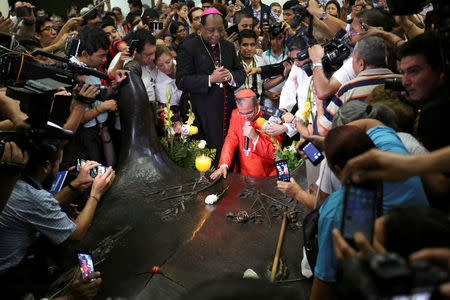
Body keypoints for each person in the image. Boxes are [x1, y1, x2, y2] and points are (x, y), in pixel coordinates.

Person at [309, 120, 429, 300]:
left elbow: (325, 281)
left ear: (338, 169)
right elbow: (370, 123)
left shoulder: (341, 210)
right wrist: (328, 140)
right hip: (427, 251)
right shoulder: (390, 145)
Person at [0, 140, 115, 297]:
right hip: (8, 275)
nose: (60, 167)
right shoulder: (34, 198)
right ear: (46, 166)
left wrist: (75, 185)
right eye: (58, 163)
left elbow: (39, 205)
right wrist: (96, 192)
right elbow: (76, 233)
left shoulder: (14, 183)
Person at [176, 8, 246, 162]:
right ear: (200, 28)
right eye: (210, 30)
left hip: (228, 110)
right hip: (202, 112)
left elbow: (241, 72)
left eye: (220, 30)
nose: (216, 34)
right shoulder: (188, 47)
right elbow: (181, 81)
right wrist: (210, 79)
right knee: (208, 155)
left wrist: (230, 76)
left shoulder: (227, 47)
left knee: (231, 152)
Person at [317, 36, 401, 134]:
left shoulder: (349, 89)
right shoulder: (402, 81)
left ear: (361, 64)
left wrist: (319, 106)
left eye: (352, 60)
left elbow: (323, 129)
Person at [210, 89, 282, 179]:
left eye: (249, 112)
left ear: (256, 105)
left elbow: (275, 153)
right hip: (243, 173)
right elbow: (231, 139)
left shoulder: (271, 117)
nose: (245, 117)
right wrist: (224, 164)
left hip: (266, 175)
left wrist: (255, 138)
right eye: (242, 113)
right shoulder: (236, 114)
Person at [397, 31, 448, 152]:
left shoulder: (436, 118)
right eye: (403, 73)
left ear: (441, 70)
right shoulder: (432, 106)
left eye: (414, 71)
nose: (405, 82)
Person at [261, 23, 288, 108]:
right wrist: (268, 93)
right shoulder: (264, 55)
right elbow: (263, 84)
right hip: (268, 99)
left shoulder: (290, 54)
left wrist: (281, 92)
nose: (275, 42)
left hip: (287, 97)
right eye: (272, 38)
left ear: (285, 37)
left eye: (279, 38)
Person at [236, 30, 263, 99]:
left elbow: (265, 85)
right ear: (238, 45)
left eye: (252, 45)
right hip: (237, 105)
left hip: (256, 104)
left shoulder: (261, 61)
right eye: (245, 45)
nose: (249, 49)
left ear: (256, 45)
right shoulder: (232, 62)